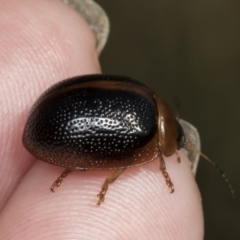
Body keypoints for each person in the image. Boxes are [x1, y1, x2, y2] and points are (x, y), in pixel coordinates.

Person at [0, 0, 203, 239]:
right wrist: (107, 185)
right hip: (54, 118)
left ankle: (69, 171)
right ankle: (72, 172)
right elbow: (123, 162)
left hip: (56, 102)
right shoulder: (145, 135)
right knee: (114, 160)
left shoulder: (146, 95)